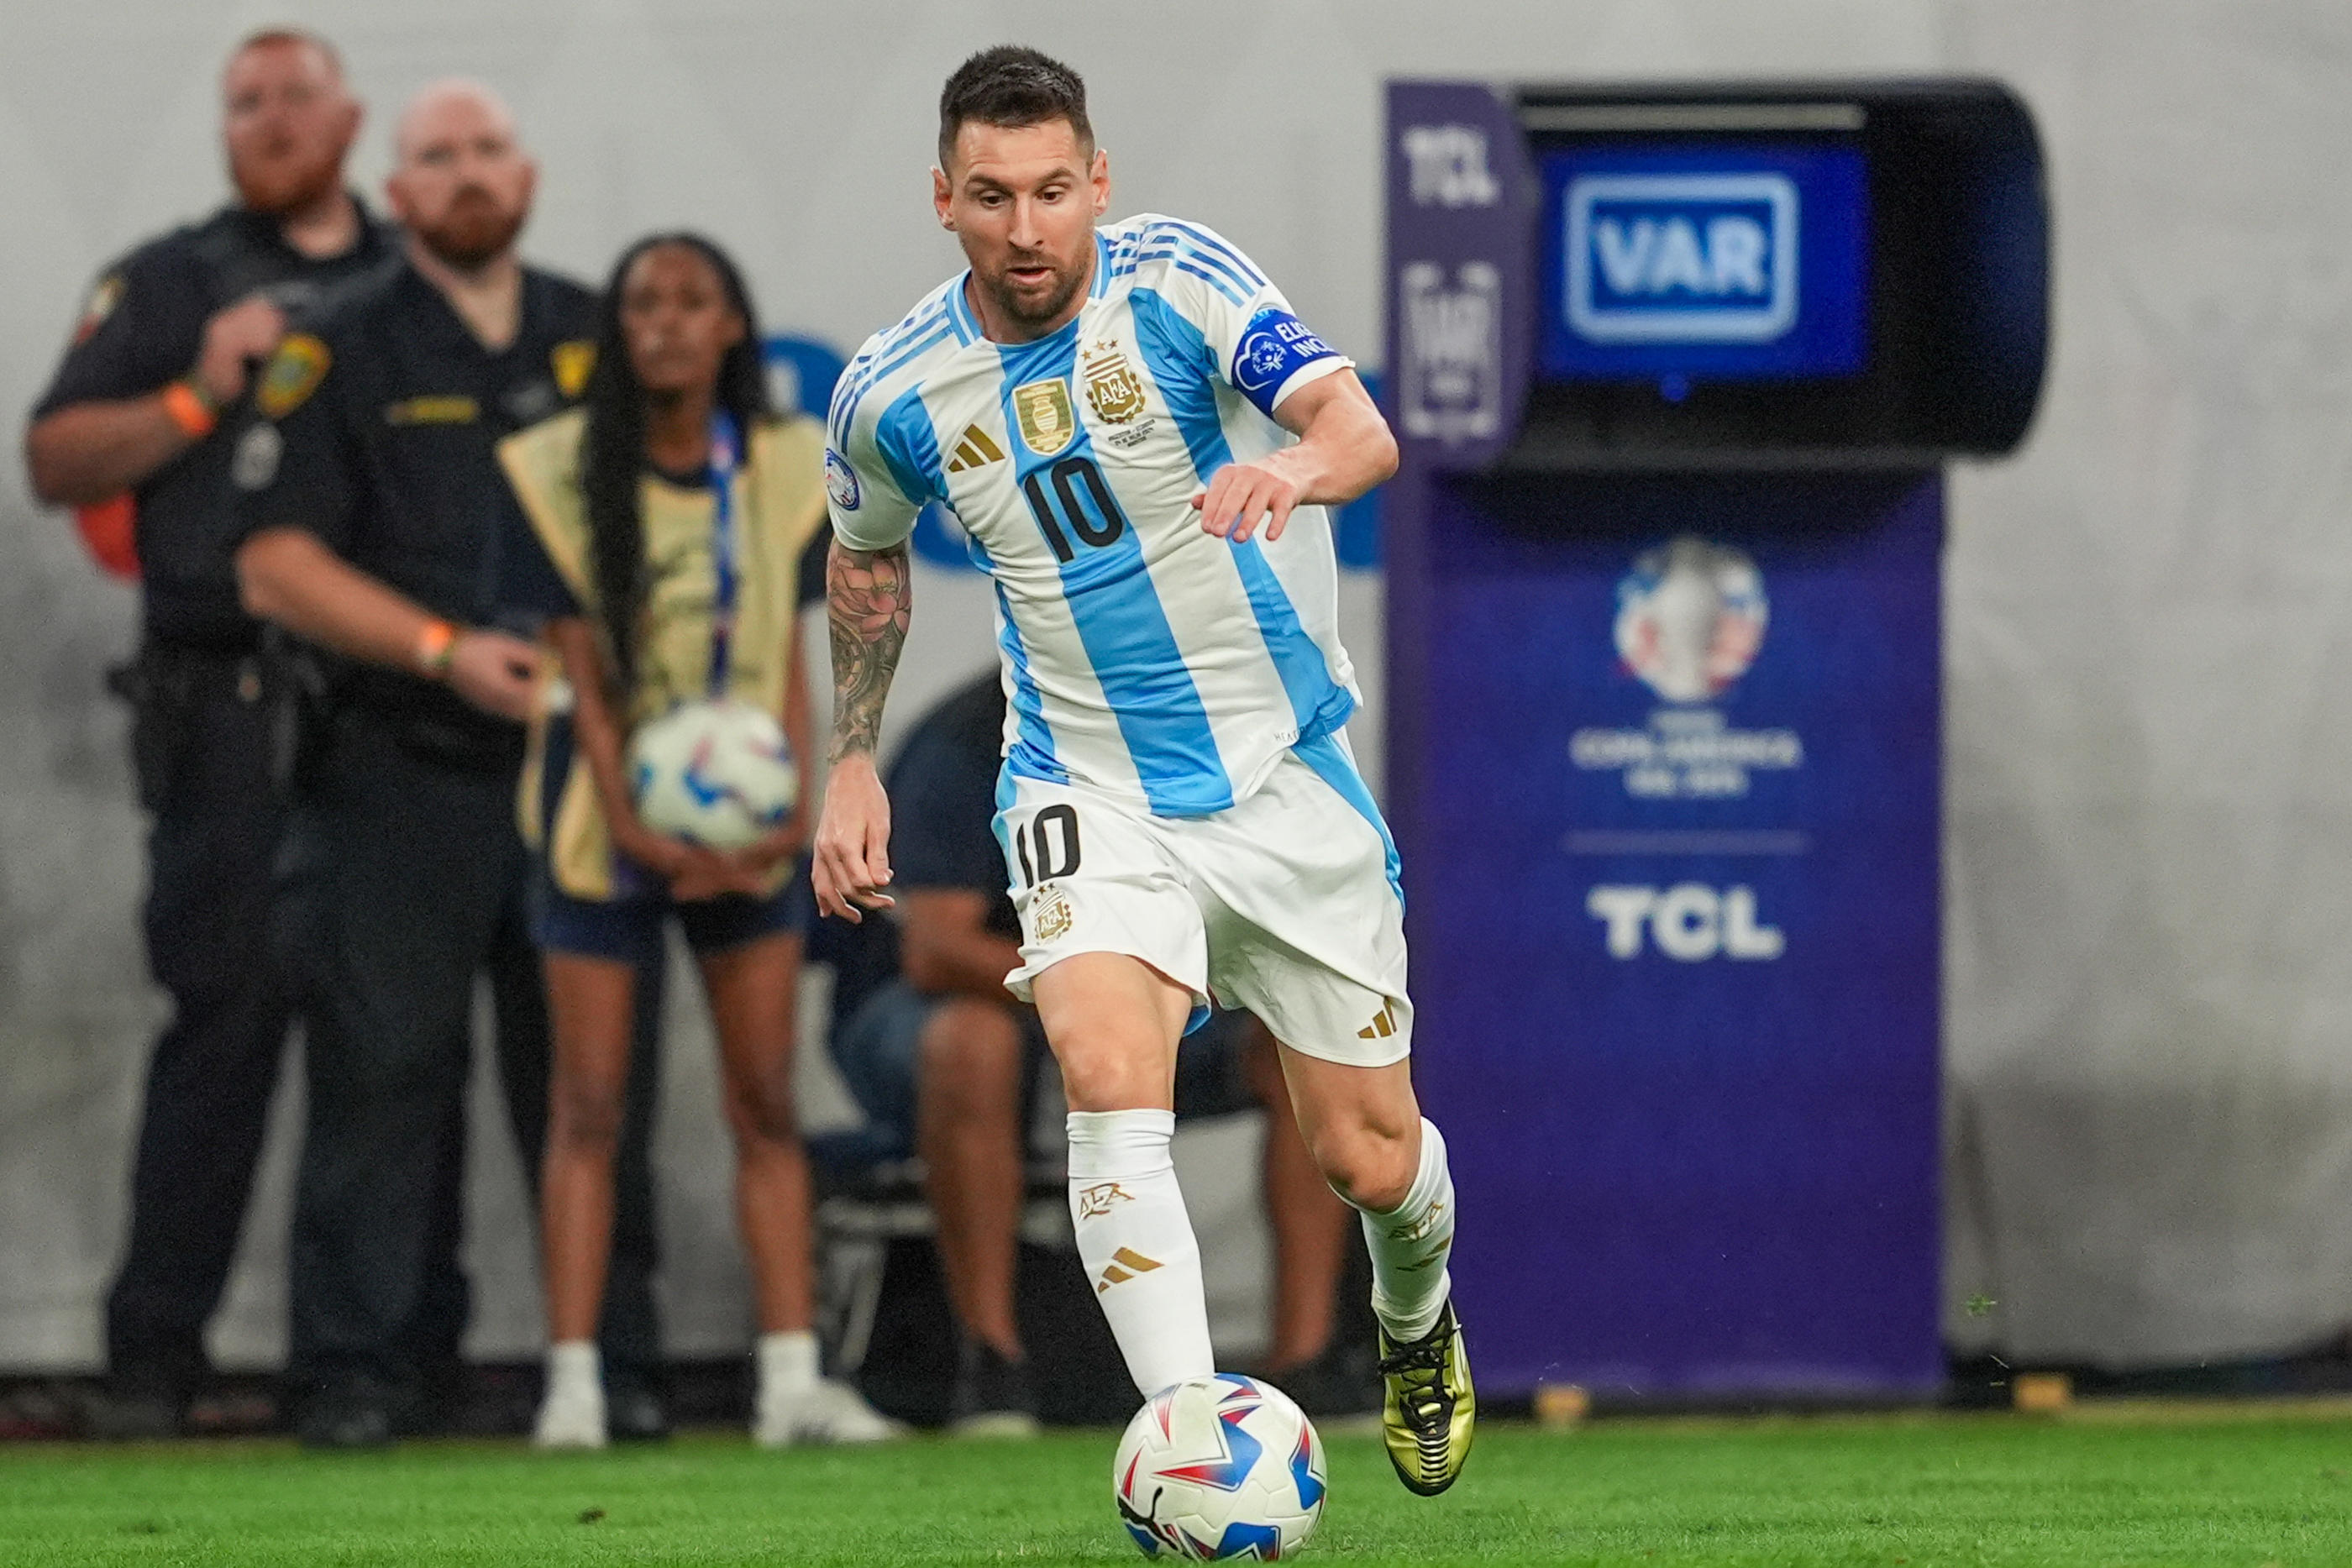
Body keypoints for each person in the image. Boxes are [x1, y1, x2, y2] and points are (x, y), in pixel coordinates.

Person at [814, 47, 1473, 1494]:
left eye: (1053, 189)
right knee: (1107, 1072)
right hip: (1083, 784)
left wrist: (1291, 473)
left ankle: (1415, 1316)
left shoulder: (1177, 284)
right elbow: (863, 559)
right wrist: (850, 763)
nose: (1027, 226)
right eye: (991, 196)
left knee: (1370, 1159)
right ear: (944, 200)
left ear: (1095, 180)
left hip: (1279, 778)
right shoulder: (890, 391)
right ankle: (1195, 1439)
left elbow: (1355, 427)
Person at [228, 81, 664, 1448]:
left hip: (581, 771)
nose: (468, 175)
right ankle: (361, 1372)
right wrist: (438, 647)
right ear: (396, 191)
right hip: (397, 767)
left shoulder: (602, 333)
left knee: (595, 1082)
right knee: (382, 1073)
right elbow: (273, 559)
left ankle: (615, 1366)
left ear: (524, 177)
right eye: (438, 159)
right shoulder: (335, 347)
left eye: (488, 150)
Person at [21, 29, 395, 1436]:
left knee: (391, 1043)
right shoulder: (171, 280)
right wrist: (197, 389)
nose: (273, 118)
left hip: (389, 714)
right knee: (221, 1032)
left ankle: (368, 1363)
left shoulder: (407, 276)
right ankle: (153, 1355)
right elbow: (56, 458)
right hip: (226, 706)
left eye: (298, 94)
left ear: (351, 117)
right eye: (247, 103)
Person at [499, 233, 895, 1448]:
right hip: (602, 828)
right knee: (586, 1103)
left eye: (691, 302)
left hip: (753, 824)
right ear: (616, 331)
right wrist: (636, 825)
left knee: (766, 1097)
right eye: (641, 305)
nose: (664, 323)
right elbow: (577, 669)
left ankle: (789, 1382)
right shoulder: (554, 466)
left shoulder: (785, 465)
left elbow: (789, 640)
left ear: (732, 325)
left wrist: (789, 809)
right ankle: (571, 1384)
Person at [834, 671, 1375, 1433]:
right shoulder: (965, 738)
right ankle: (991, 1365)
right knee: (973, 1046)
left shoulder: (1190, 732)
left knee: (1296, 1035)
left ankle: (1306, 1360)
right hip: (963, 1007)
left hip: (1150, 989)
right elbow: (936, 948)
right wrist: (1095, 995)